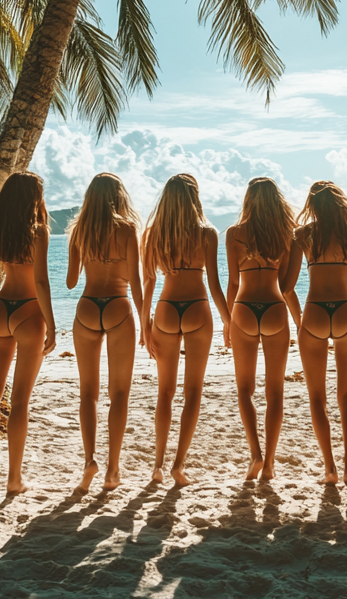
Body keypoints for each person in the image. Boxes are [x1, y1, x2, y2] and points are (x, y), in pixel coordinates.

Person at [0, 171, 55, 497]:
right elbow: (42, 283)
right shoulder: (39, 232)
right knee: (19, 401)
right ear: (34, 197)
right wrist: (52, 324)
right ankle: (14, 479)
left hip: (0, 310)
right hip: (30, 312)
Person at [285, 180, 347, 484]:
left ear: (312, 204)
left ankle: (330, 470)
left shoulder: (303, 235)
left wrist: (298, 318)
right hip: (345, 311)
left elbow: (286, 286)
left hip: (314, 311)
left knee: (317, 398)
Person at [142, 173, 228, 486]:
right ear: (195, 198)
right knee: (192, 392)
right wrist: (229, 321)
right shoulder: (207, 232)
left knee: (164, 392)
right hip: (196, 307)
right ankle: (178, 466)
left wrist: (144, 323)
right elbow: (216, 285)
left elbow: (148, 282)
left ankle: (157, 466)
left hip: (165, 309)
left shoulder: (153, 233)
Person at [67, 172, 143, 493]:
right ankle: (113, 468)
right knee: (119, 393)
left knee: (88, 392)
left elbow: (71, 281)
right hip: (117, 305)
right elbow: (136, 282)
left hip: (86, 307)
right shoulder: (127, 229)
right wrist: (146, 322)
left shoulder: (78, 231)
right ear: (119, 196)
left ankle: (89, 460)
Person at [225, 177, 297, 482]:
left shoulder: (233, 234)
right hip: (274, 308)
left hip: (243, 308)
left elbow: (232, 283)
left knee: (244, 389)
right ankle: (269, 463)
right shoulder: (285, 235)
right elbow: (287, 285)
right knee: (275, 391)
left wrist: (228, 323)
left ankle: (254, 453)